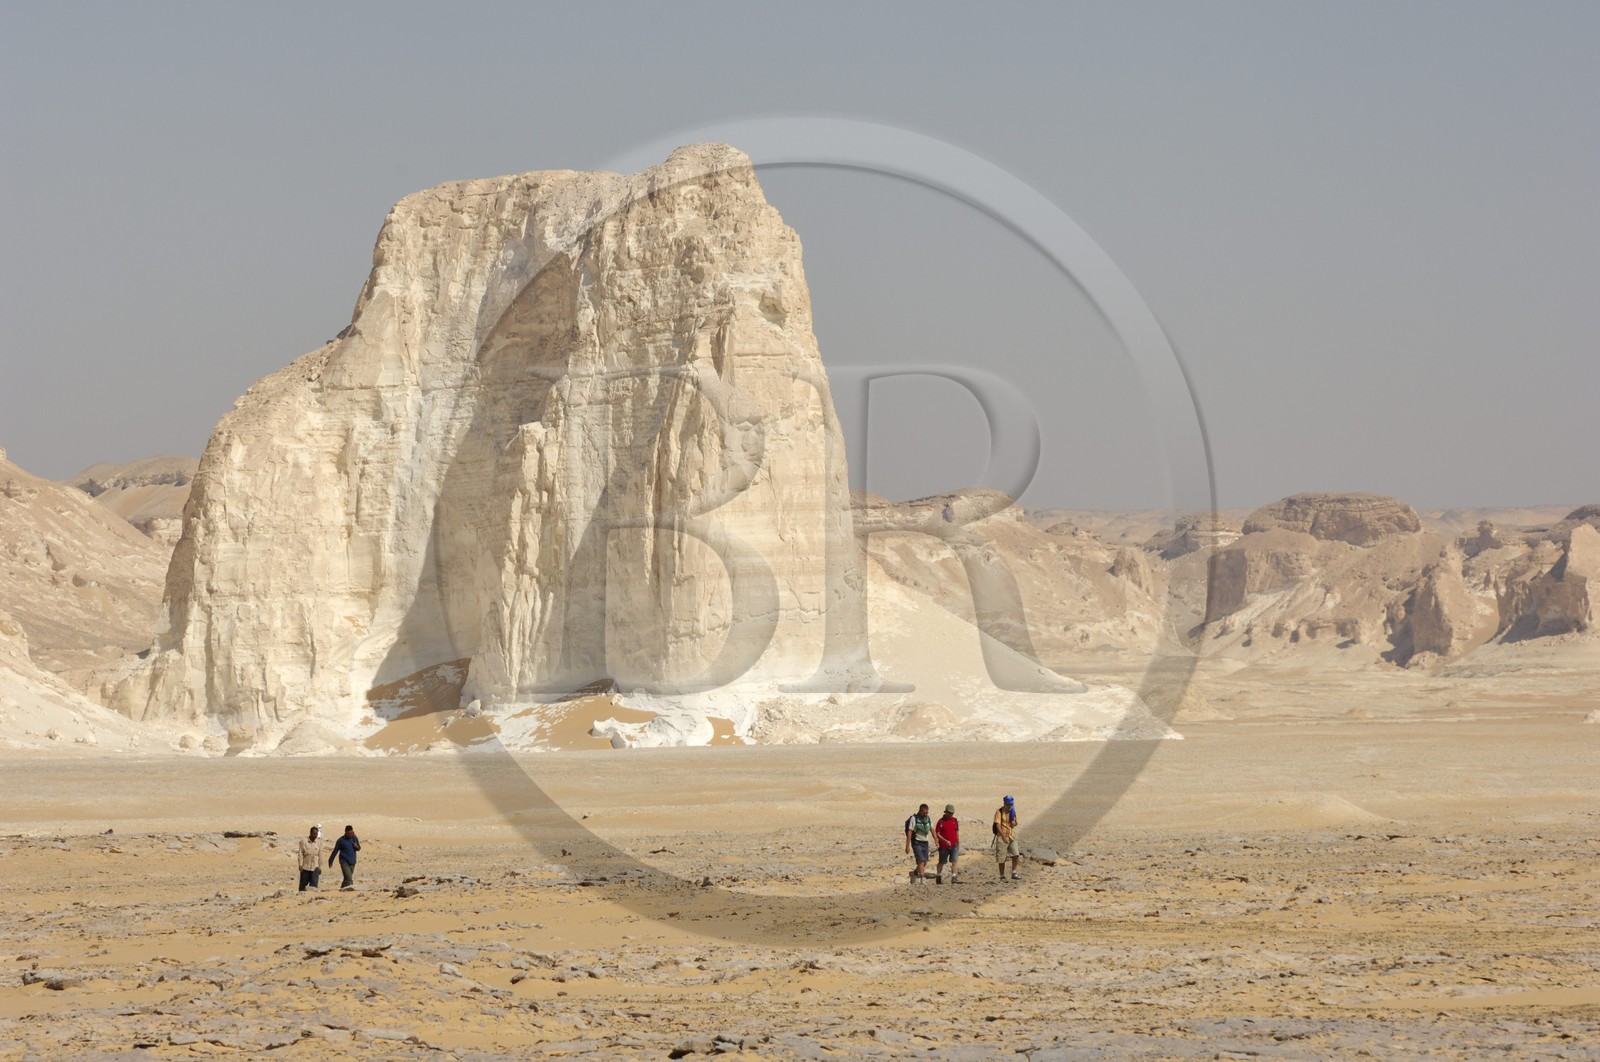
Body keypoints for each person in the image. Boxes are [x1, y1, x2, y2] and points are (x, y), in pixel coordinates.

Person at [993, 795, 1022, 881]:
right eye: (1008, 804)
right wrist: (1002, 836)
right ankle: (1002, 875)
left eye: (1011, 804)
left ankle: (1014, 872)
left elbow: (1015, 823)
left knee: (1016, 854)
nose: (1010, 806)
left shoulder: (1013, 811)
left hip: (1011, 836)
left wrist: (1014, 822)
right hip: (1002, 836)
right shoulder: (999, 812)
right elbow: (997, 825)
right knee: (1002, 857)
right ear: (1005, 803)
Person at [904, 803, 933, 884]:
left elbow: (931, 828)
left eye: (927, 812)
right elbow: (910, 831)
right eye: (924, 813)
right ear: (920, 811)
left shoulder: (928, 819)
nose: (925, 814)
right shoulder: (914, 819)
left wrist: (936, 839)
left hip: (925, 842)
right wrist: (907, 845)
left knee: (924, 862)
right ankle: (922, 879)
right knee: (921, 860)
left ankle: (914, 873)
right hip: (916, 842)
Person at [328, 824, 361, 890]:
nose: (350, 834)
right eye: (348, 833)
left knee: (347, 878)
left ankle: (342, 889)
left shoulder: (354, 838)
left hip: (352, 861)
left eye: (351, 833)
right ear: (345, 832)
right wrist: (330, 860)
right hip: (344, 861)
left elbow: (359, 848)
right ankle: (350, 891)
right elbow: (335, 851)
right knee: (349, 878)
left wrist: (356, 846)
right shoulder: (340, 840)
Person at [934, 804, 960, 884]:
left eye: (952, 813)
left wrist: (958, 843)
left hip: (953, 845)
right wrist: (945, 841)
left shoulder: (954, 820)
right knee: (941, 862)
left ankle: (954, 877)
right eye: (950, 813)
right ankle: (938, 876)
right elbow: (937, 834)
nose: (951, 815)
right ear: (946, 812)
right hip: (943, 847)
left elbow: (956, 832)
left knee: (955, 861)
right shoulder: (940, 822)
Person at [296, 824, 323, 892]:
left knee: (314, 887)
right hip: (305, 867)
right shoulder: (304, 842)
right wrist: (300, 865)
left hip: (315, 867)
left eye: (316, 834)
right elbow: (300, 853)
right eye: (314, 834)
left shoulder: (318, 843)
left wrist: (319, 867)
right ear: (310, 833)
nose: (315, 835)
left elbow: (320, 855)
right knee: (302, 887)